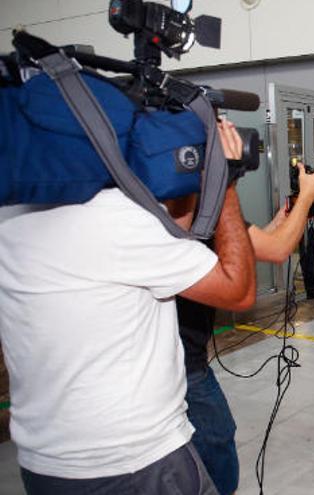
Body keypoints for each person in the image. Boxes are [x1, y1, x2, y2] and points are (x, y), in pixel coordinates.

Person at [0, 119, 256, 494]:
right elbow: (239, 291)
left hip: (45, 464)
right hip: (137, 462)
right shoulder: (115, 219)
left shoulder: (9, 217)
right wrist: (225, 179)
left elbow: (175, 231)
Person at [177, 132, 314, 495]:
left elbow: (255, 242)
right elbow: (275, 252)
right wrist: (307, 197)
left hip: (182, 358)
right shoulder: (187, 213)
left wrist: (284, 219)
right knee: (217, 441)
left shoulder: (183, 209)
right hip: (184, 367)